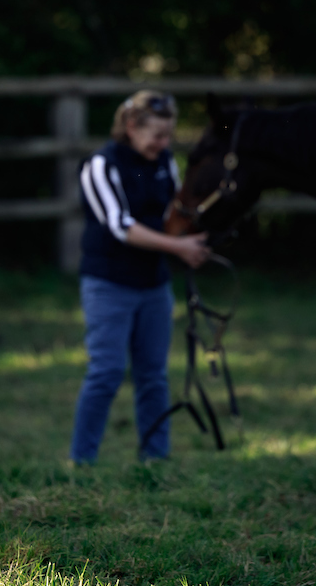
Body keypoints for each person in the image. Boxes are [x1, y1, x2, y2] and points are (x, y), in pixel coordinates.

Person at [71, 90, 211, 464]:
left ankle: (155, 458)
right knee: (107, 372)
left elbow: (172, 212)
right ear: (131, 126)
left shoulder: (165, 161)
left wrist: (193, 238)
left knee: (153, 375)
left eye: (168, 135)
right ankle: (81, 462)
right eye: (158, 135)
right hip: (109, 284)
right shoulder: (102, 164)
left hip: (154, 285)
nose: (164, 144)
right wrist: (178, 248)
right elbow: (120, 226)